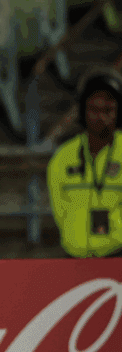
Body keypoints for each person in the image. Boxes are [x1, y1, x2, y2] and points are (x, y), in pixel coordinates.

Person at [47, 69, 122, 258]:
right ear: (83, 111)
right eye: (94, 109)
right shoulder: (64, 155)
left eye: (108, 110)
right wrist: (75, 238)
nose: (101, 116)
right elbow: (59, 209)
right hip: (74, 257)